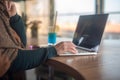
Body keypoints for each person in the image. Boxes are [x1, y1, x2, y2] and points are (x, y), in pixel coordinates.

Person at [0, 0, 77, 78]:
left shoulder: (3, 10)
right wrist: (53, 50)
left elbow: (21, 45)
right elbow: (11, 59)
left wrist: (14, 16)